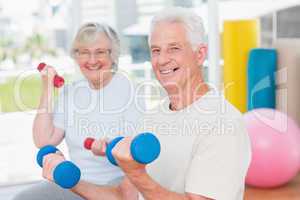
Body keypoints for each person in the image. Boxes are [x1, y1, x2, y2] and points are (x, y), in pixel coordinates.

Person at [40, 7, 251, 200]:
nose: (161, 60)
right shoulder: (153, 117)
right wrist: (70, 181)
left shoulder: (224, 123)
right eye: (156, 50)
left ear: (200, 54)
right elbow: (124, 196)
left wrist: (135, 172)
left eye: (174, 48)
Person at [13, 22, 144, 200]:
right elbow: (44, 140)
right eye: (84, 52)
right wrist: (47, 89)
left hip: (115, 183)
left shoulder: (131, 91)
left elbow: (137, 154)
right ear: (76, 56)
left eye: (99, 52)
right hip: (74, 181)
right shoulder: (70, 92)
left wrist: (110, 149)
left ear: (113, 55)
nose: (91, 60)